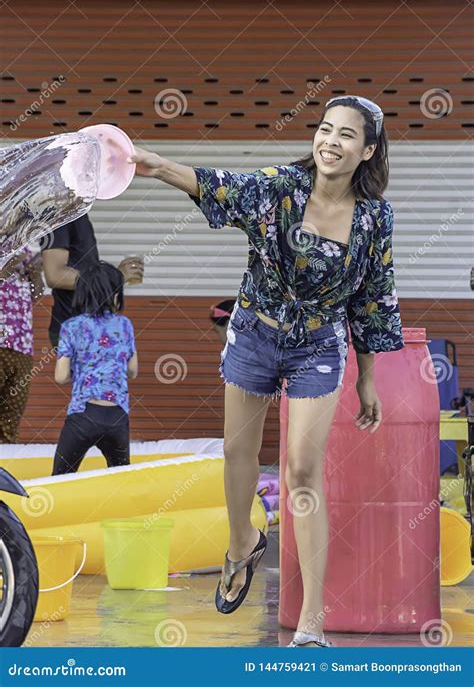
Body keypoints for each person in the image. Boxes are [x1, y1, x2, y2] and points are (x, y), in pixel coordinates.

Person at [127, 94, 404, 648]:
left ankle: (312, 622)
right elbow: (219, 186)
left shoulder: (376, 219)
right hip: (254, 330)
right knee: (238, 452)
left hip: (319, 346)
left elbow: (374, 299)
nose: (331, 141)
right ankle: (241, 544)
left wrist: (368, 377)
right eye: (325, 129)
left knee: (303, 471)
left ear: (368, 150)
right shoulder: (280, 187)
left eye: (347, 135)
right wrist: (156, 165)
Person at [52, 260, 138, 475]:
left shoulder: (71, 327)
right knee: (120, 480)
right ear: (116, 293)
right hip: (117, 415)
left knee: (59, 479)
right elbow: (132, 371)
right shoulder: (124, 325)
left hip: (83, 415)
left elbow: (61, 377)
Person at [41, 213, 144, 348]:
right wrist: (115, 276)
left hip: (92, 325)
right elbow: (55, 275)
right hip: (75, 329)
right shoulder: (59, 215)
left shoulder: (79, 214)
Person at [0, 249, 43, 443]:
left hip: (22, 345)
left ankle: (5, 466)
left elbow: (37, 294)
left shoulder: (26, 250)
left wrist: (35, 271)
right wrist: (9, 262)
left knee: (11, 415)